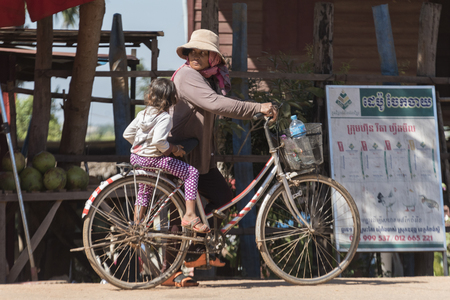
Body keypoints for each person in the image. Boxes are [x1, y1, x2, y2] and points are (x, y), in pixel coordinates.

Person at [168, 29, 277, 270]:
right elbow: (215, 104)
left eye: (202, 52)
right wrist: (257, 107)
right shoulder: (187, 76)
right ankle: (169, 269)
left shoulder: (208, 78)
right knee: (179, 212)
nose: (195, 56)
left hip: (199, 157)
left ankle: (195, 252)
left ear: (213, 58)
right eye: (192, 51)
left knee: (222, 199)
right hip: (182, 154)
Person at [123, 78, 210, 233]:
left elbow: (127, 134)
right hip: (153, 160)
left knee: (144, 190)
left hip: (136, 158)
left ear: (149, 97)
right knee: (191, 173)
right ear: (173, 100)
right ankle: (190, 214)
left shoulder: (141, 114)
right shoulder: (164, 117)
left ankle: (136, 225)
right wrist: (174, 149)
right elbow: (158, 141)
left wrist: (140, 148)